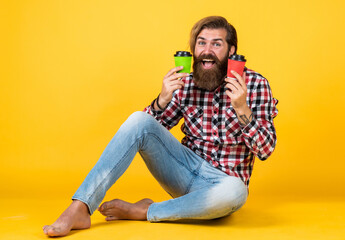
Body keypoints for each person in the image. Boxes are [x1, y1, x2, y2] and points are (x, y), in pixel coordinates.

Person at [43, 16, 278, 237]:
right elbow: (142, 133)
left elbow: (266, 150)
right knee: (138, 118)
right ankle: (81, 206)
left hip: (223, 185)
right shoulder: (185, 80)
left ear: (231, 51)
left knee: (237, 192)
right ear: (194, 49)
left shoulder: (256, 84)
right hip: (182, 171)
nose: (207, 51)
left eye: (216, 44)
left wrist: (242, 109)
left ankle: (146, 211)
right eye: (201, 43)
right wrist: (162, 100)